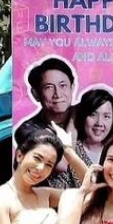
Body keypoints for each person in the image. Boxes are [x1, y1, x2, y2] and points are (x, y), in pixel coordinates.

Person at [20, 57, 87, 188]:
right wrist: (73, 122)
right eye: (49, 87)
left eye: (63, 86)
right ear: (36, 94)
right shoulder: (29, 129)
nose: (57, 94)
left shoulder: (89, 115)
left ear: (72, 87)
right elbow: (63, 165)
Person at [74, 88, 113, 168]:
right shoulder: (71, 152)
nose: (99, 123)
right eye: (93, 115)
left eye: (106, 116)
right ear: (83, 116)